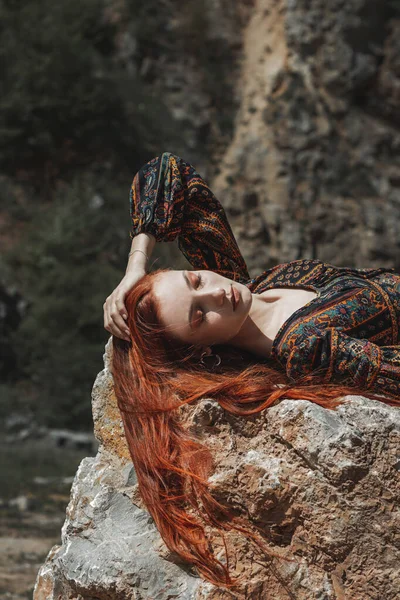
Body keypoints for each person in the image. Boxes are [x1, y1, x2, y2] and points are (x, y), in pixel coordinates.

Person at [103, 152, 400, 589]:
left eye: (194, 281)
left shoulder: (242, 284)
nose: (216, 295)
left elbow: (169, 171)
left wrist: (136, 266)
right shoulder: (303, 346)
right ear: (202, 352)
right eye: (199, 317)